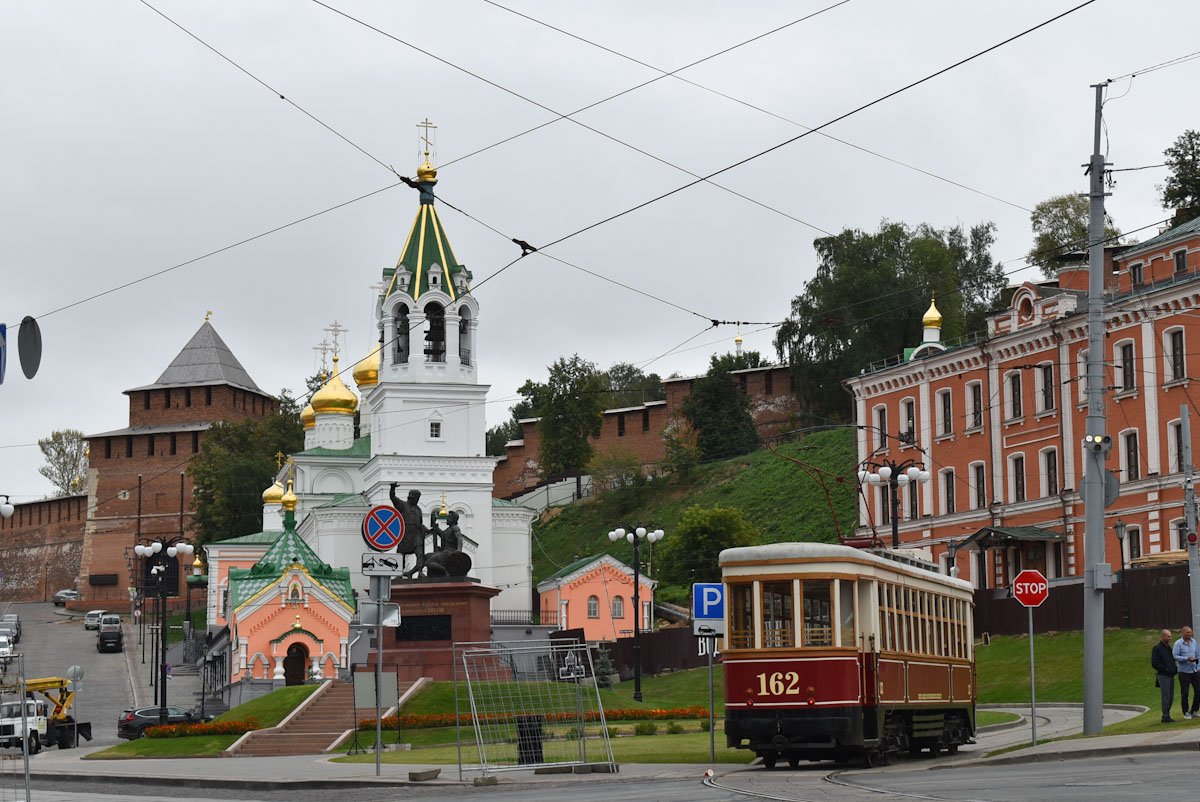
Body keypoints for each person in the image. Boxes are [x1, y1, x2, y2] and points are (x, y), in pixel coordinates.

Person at [1173, 625, 1200, 718]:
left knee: (1198, 690)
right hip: (1184, 672)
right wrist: (1186, 658)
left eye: (1190, 632)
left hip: (1194, 670)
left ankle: (1194, 710)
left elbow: (1198, 655)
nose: (1189, 634)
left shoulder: (1194, 642)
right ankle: (1186, 712)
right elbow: (1175, 656)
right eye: (1187, 632)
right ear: (1183, 633)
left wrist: (1198, 666)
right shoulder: (1178, 643)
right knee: (1185, 693)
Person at [1152, 629, 1177, 722]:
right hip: (1163, 676)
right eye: (1168, 636)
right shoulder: (1157, 648)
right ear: (1162, 636)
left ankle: (1167, 715)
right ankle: (1165, 716)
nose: (1170, 638)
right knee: (1166, 697)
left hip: (1171, 675)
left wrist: (1174, 669)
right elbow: (1154, 663)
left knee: (1170, 697)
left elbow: (1171, 660)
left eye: (1170, 636)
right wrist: (1165, 670)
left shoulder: (1168, 648)